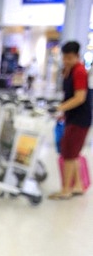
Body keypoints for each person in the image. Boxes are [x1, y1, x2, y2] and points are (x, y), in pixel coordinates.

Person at [50, 40, 91, 199]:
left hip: (79, 119)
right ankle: (78, 185)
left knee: (68, 153)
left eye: (70, 57)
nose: (66, 60)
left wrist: (60, 108)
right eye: (64, 57)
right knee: (73, 153)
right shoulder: (69, 70)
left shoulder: (79, 71)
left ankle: (66, 189)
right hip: (73, 117)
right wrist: (63, 111)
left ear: (77, 56)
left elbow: (80, 98)